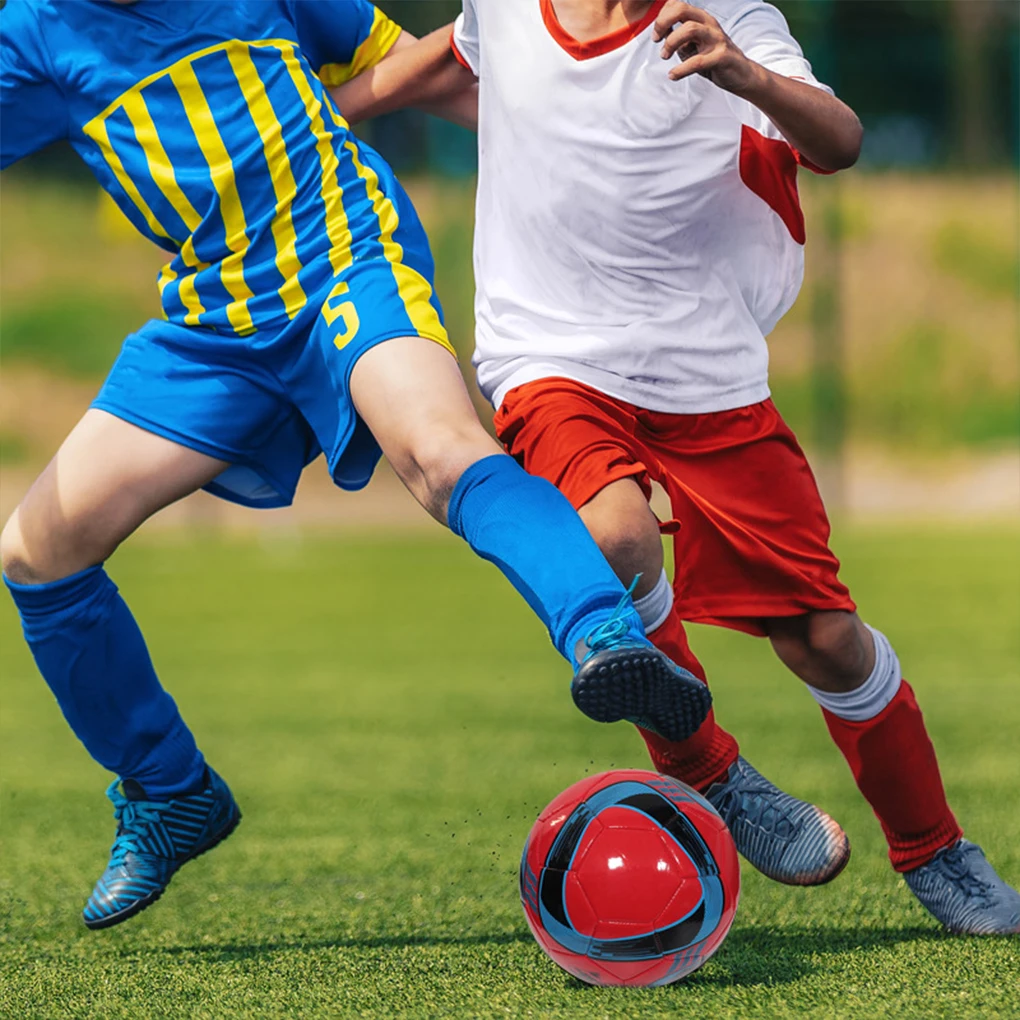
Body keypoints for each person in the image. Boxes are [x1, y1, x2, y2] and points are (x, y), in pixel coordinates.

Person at [0, 0, 714, 931]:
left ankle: (603, 633)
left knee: (442, 453)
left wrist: (588, 164)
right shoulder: (34, 32)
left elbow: (434, 69)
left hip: (345, 256)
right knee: (35, 553)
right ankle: (169, 790)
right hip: (213, 323)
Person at [330, 0, 1020, 935]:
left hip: (709, 374)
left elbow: (841, 139)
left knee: (824, 639)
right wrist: (302, 117)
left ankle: (936, 851)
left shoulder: (729, 15)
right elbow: (440, 60)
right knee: (612, 541)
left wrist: (746, 74)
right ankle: (708, 772)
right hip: (552, 358)